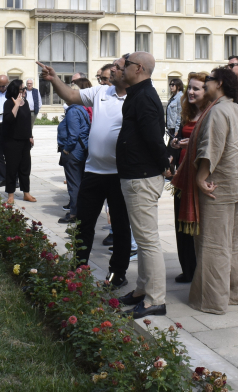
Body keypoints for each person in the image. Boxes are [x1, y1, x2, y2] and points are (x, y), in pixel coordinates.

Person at [38, 60, 133, 291]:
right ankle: (78, 268)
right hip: (93, 170)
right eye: (103, 77)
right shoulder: (101, 92)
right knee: (84, 223)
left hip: (120, 174)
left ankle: (117, 274)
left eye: (108, 75)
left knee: (120, 227)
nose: (105, 79)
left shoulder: (134, 98)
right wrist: (54, 79)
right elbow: (71, 96)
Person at [172, 64, 238, 314]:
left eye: (210, 79)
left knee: (213, 245)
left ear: (219, 83)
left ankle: (211, 300)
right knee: (237, 243)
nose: (206, 82)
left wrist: (200, 177)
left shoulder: (217, 112)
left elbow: (211, 148)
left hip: (217, 187)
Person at [113, 52, 170, 319]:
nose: (119, 70)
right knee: (145, 237)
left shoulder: (145, 97)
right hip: (135, 174)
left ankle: (155, 299)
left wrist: (164, 165)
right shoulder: (139, 94)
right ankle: (142, 290)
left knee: (147, 241)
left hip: (141, 176)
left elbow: (153, 138)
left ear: (137, 68)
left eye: (123, 66)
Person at [169, 71, 209, 283]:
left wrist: (192, 142)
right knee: (180, 222)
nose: (191, 92)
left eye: (196, 88)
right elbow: (179, 136)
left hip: (199, 173)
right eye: (190, 87)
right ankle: (187, 268)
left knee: (197, 225)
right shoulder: (187, 111)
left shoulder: (211, 113)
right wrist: (176, 144)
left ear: (207, 91)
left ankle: (199, 269)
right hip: (182, 174)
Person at [56, 77, 92, 224]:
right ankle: (80, 211)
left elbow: (73, 134)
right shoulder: (82, 109)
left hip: (73, 152)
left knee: (74, 184)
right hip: (81, 150)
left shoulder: (73, 111)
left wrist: (66, 150)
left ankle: (74, 214)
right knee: (79, 183)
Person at [2, 79, 36, 205]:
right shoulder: (8, 103)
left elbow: (27, 121)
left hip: (24, 140)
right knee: (12, 168)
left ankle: (26, 193)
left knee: (25, 167)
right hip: (11, 141)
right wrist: (16, 104)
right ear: (16, 90)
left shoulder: (25, 102)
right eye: (22, 89)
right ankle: (10, 195)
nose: (25, 91)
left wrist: (30, 136)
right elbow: (9, 120)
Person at [165, 78, 184, 169]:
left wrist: (177, 129)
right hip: (171, 129)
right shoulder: (173, 98)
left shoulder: (180, 97)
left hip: (176, 129)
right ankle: (173, 174)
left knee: (172, 152)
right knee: (172, 152)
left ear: (178, 86)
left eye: (173, 85)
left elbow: (180, 114)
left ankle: (173, 174)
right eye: (170, 85)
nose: (171, 87)